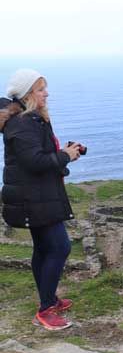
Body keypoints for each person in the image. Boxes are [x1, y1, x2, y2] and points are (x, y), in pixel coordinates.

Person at [0, 69, 83, 331]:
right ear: (27, 95)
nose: (46, 94)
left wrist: (65, 155)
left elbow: (39, 158)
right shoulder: (23, 123)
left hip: (38, 195)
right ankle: (46, 310)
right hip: (33, 198)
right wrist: (64, 156)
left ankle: (49, 299)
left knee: (44, 248)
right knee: (60, 247)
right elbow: (34, 162)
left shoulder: (33, 119)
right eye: (40, 89)